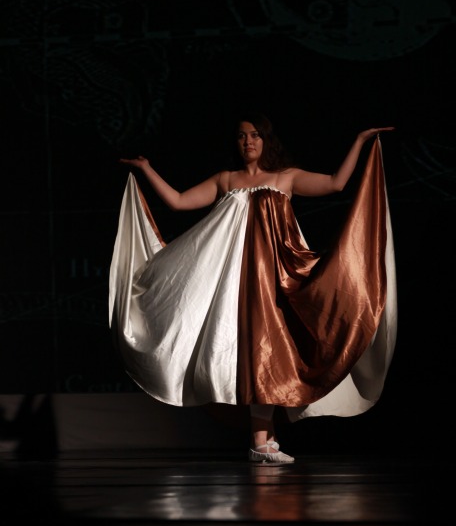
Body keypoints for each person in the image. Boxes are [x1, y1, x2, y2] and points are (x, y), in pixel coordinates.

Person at [109, 113, 397, 464]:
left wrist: (360, 141)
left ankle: (265, 440)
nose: (248, 141)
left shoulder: (285, 177)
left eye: (256, 135)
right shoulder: (227, 180)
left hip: (276, 278)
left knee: (273, 354)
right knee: (254, 353)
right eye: (242, 136)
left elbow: (336, 184)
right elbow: (179, 201)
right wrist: (146, 169)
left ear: (266, 140)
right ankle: (261, 441)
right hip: (236, 282)